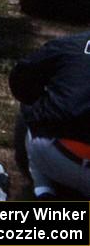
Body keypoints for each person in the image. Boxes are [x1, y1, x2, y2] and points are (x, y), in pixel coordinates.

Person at [10, 32, 90, 199]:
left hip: (55, 156)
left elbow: (21, 79)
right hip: (62, 155)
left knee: (33, 108)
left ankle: (43, 189)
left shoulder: (69, 43)